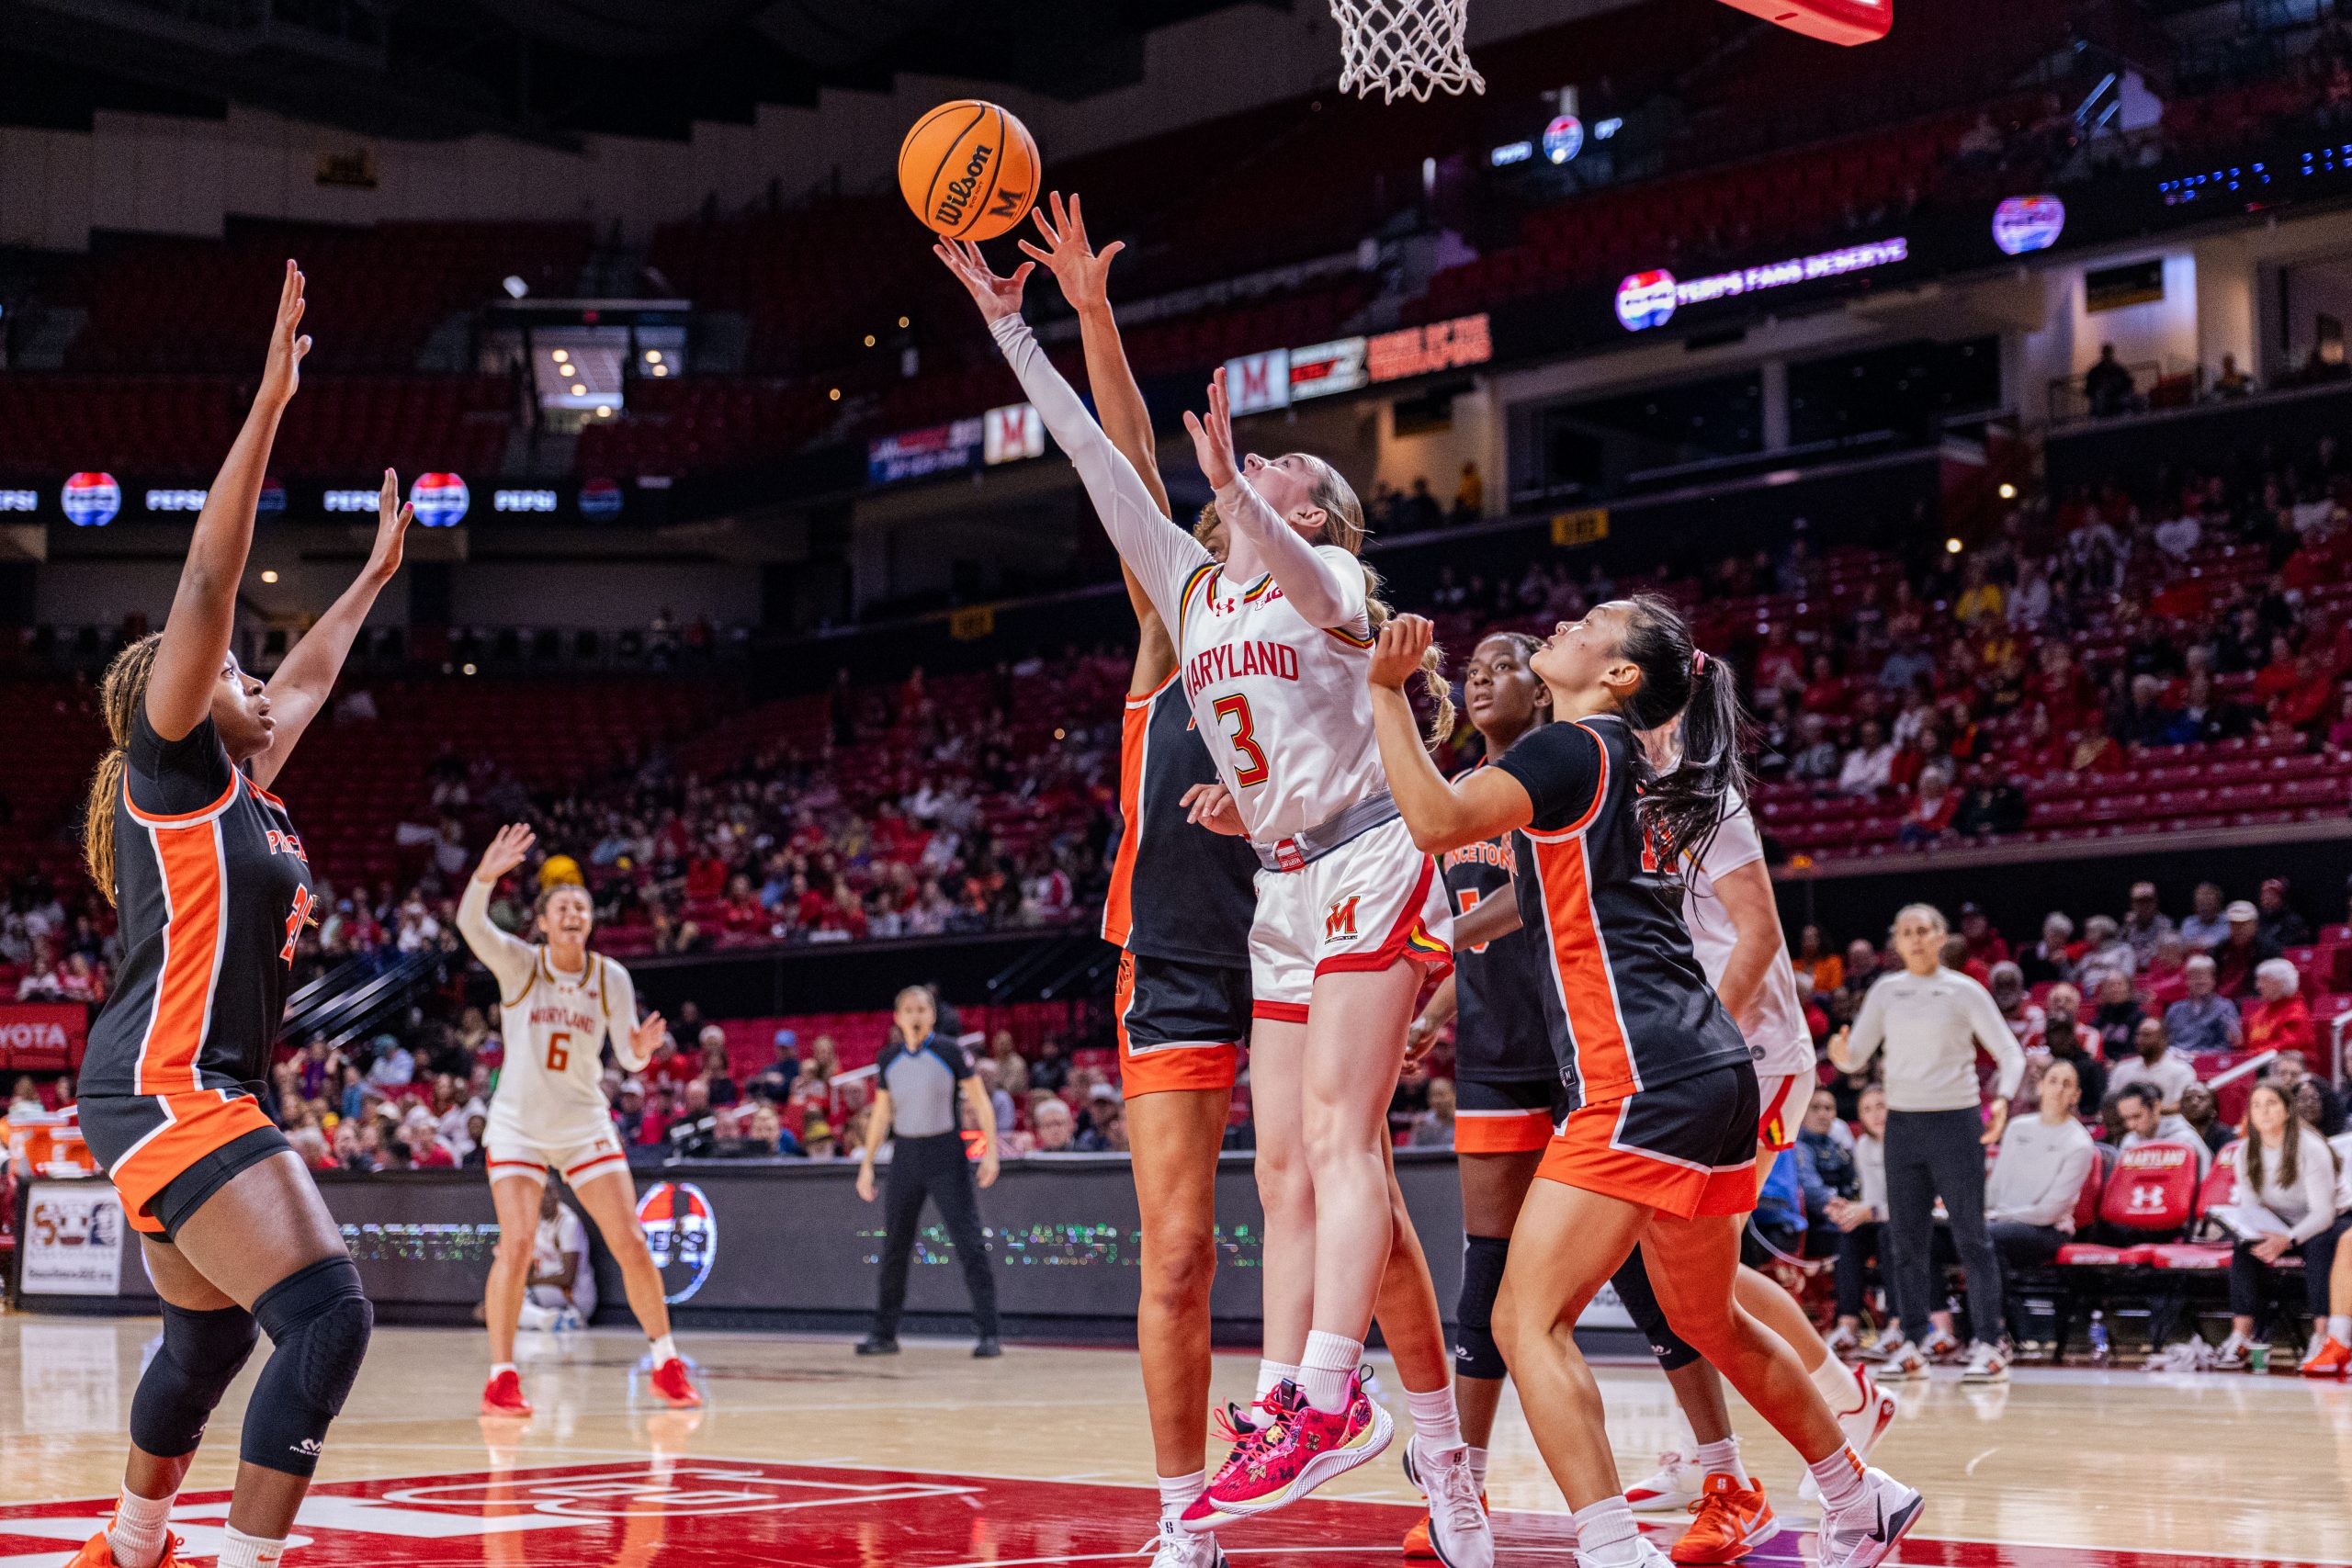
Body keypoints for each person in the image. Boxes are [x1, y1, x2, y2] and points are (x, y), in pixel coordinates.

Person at [941, 227, 1476, 1544]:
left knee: (1349, 1166)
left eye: (1296, 468)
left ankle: (1367, 1408)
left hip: (1359, 857)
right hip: (1255, 904)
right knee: (1286, 1175)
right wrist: (1017, 328)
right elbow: (1095, 452)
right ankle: (1265, 1431)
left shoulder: (1328, 572)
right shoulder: (1186, 594)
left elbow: (1307, 576)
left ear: (1311, 510)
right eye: (1263, 461)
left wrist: (1240, 482)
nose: (1275, 459)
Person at [1367, 603, 1923, 1568]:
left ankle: (1612, 1547)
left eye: (1593, 622)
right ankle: (1856, 1495)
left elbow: (1436, 820)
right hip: (1711, 1073)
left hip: (1642, 1075)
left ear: (1618, 677)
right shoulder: (1636, 767)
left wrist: (1382, 691)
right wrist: (1444, 942)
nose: (1569, 621)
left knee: (1522, 1317)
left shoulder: (1575, 747)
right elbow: (1525, 895)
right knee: (1705, 1314)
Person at [65, 267, 396, 1568]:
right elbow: (208, 582)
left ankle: (133, 1542)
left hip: (184, 1084)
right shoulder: (175, 769)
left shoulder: (246, 795)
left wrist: (371, 577)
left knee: (207, 1334)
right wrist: (265, 408)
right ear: (192, 699)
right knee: (327, 1315)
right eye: (235, 673)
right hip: (168, 1084)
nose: (259, 678)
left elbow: (305, 677)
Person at [1613, 717, 1896, 1554]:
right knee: (1684, 1277)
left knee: (1703, 1283)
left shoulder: (1702, 795)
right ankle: (1722, 1450)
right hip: (1686, 1056)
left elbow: (1758, 932)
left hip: (1752, 1055)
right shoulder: (1615, 795)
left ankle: (1841, 1407)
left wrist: (1700, 1045)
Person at [456, 824, 699, 1416]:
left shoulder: (610, 976)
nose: (574, 914)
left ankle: (666, 1361)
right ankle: (502, 1377)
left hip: (584, 1123)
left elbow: (632, 1057)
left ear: (591, 920)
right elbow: (469, 925)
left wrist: (641, 1048)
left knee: (633, 1242)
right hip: (517, 1123)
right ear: (542, 920)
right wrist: (486, 874)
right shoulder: (522, 965)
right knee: (515, 1245)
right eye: (563, 906)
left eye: (582, 907)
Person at [1831, 904, 2025, 1382]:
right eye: (1906, 933)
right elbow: (1856, 1057)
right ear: (1895, 943)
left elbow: (2010, 1054)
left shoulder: (1964, 991)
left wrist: (2000, 1100)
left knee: (1971, 1239)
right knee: (1904, 1242)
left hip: (1956, 1123)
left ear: (1941, 938)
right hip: (1902, 1126)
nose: (1915, 939)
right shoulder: (1885, 991)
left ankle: (1988, 1343)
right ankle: (1913, 1342)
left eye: (1924, 931)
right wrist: (1842, 1055)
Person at [855, 986, 1001, 1357]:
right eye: (909, 1009)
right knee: (894, 1247)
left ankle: (989, 1333)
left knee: (968, 1241)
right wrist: (867, 1164)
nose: (916, 1015)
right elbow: (881, 1115)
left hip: (945, 1153)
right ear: (897, 1017)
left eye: (922, 1008)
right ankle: (884, 1334)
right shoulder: (888, 1059)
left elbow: (980, 1102)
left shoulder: (951, 1052)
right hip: (905, 1155)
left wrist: (991, 1153)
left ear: (932, 1015)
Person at [2215, 1083, 2343, 1368]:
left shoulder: (2310, 1147)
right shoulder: (2244, 1151)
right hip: (2281, 1224)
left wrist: (2287, 1239)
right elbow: (2251, 1208)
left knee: (2322, 1243)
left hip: (2327, 1220)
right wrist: (2258, 1235)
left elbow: (2323, 1214)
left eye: (2271, 1103)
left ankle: (2322, 1337)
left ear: (2287, 1111)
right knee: (2245, 1245)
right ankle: (2242, 1336)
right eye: (2257, 1105)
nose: (2264, 1111)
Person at [1982, 1059, 2096, 1341]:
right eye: (2053, 1080)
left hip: (2047, 1232)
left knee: (1985, 1238)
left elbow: (2048, 1212)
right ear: (2041, 1086)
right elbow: (1995, 1188)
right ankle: (1939, 1330)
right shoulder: (2018, 1127)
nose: (2058, 1089)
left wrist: (1998, 1217)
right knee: (1935, 1237)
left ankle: (1994, 1333)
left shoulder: (2079, 1143)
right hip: (1999, 1222)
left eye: (2067, 1084)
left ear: (2076, 1096)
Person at [514, 1185, 594, 1333]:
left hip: (574, 1293)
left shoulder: (567, 1222)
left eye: (547, 1192)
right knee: (502, 1303)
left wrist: (530, 1281)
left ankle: (550, 1318)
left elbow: (567, 1278)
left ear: (556, 1194)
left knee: (512, 1303)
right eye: (537, 1192)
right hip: (545, 1290)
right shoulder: (533, 1219)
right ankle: (559, 1319)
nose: (542, 1197)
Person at [2114, 1085, 2211, 1177]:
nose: (2131, 1125)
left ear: (2156, 1107)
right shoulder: (2129, 1142)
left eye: (2137, 1116)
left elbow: (2205, 1180)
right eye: (2126, 1119)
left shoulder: (2185, 1139)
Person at [2108, 1018, 2198, 1110]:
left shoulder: (2182, 1071)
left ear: (2163, 1039)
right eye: (2138, 1035)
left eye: (2146, 1035)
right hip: (2127, 1122)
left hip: (2168, 1122)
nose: (2139, 1040)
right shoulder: (2121, 1069)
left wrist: (2147, 1113)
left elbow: (2183, 1106)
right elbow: (2110, 1103)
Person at [2163, 955, 2243, 1057]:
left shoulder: (2225, 1007)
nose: (2199, 981)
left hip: (2207, 1061)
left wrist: (2202, 1055)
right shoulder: (2175, 1009)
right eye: (2194, 976)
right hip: (2174, 1060)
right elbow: (2164, 1041)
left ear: (2213, 980)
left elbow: (2226, 1046)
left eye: (2204, 976)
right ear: (2187, 980)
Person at [2245, 958, 2317, 1056]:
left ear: (2279, 983)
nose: (2258, 986)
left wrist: (2250, 1056)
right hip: (2257, 1066)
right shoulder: (2260, 1013)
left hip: (2289, 1068)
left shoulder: (2296, 1014)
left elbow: (2285, 1048)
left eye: (2263, 980)